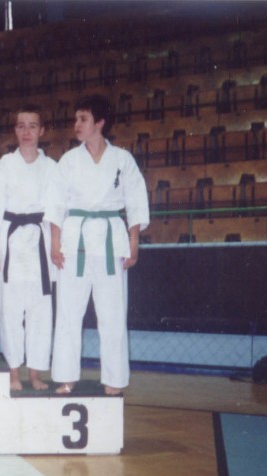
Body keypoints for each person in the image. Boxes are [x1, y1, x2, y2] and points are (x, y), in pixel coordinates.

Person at [46, 94, 150, 396]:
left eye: (83, 119)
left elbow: (135, 201)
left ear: (100, 123)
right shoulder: (69, 160)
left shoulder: (122, 160)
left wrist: (133, 241)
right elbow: (55, 203)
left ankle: (113, 379)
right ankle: (65, 377)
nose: (77, 124)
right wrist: (55, 242)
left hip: (110, 241)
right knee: (68, 312)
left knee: (113, 313)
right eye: (76, 119)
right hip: (74, 241)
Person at [0, 104, 56, 392]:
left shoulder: (52, 168)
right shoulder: (4, 165)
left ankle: (35, 373)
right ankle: (13, 372)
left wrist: (56, 246)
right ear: (15, 130)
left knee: (40, 313)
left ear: (42, 131)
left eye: (32, 126)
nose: (26, 131)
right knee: (9, 312)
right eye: (21, 126)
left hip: (40, 245)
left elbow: (58, 211)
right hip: (9, 244)